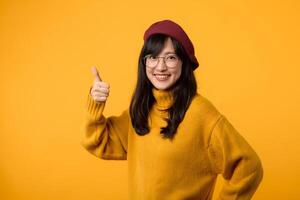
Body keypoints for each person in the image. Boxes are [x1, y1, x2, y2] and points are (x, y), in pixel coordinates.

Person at [81, 19, 263, 200]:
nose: (160, 67)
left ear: (184, 63)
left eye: (170, 57)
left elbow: (248, 168)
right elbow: (98, 142)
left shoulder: (201, 113)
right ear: (144, 63)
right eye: (153, 57)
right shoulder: (141, 109)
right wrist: (95, 104)